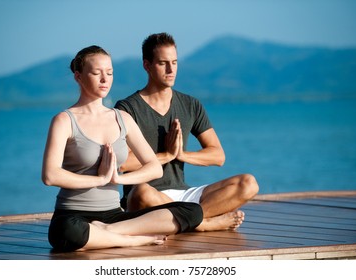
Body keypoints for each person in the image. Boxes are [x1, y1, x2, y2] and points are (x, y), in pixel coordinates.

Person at [41, 45, 203, 252]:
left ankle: (107, 232)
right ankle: (130, 239)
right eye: (96, 73)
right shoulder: (64, 121)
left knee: (192, 211)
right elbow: (50, 175)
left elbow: (154, 167)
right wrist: (99, 180)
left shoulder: (121, 118)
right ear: (78, 76)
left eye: (109, 73)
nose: (104, 79)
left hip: (114, 215)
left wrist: (118, 179)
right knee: (66, 231)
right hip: (73, 215)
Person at [115, 33, 259, 232]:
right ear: (147, 66)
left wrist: (182, 155)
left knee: (248, 183)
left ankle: (188, 220)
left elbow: (218, 155)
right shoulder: (126, 108)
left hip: (184, 196)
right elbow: (121, 163)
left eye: (174, 62)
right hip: (146, 196)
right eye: (163, 63)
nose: (171, 69)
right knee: (142, 193)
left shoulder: (190, 105)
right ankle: (203, 223)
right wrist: (166, 156)